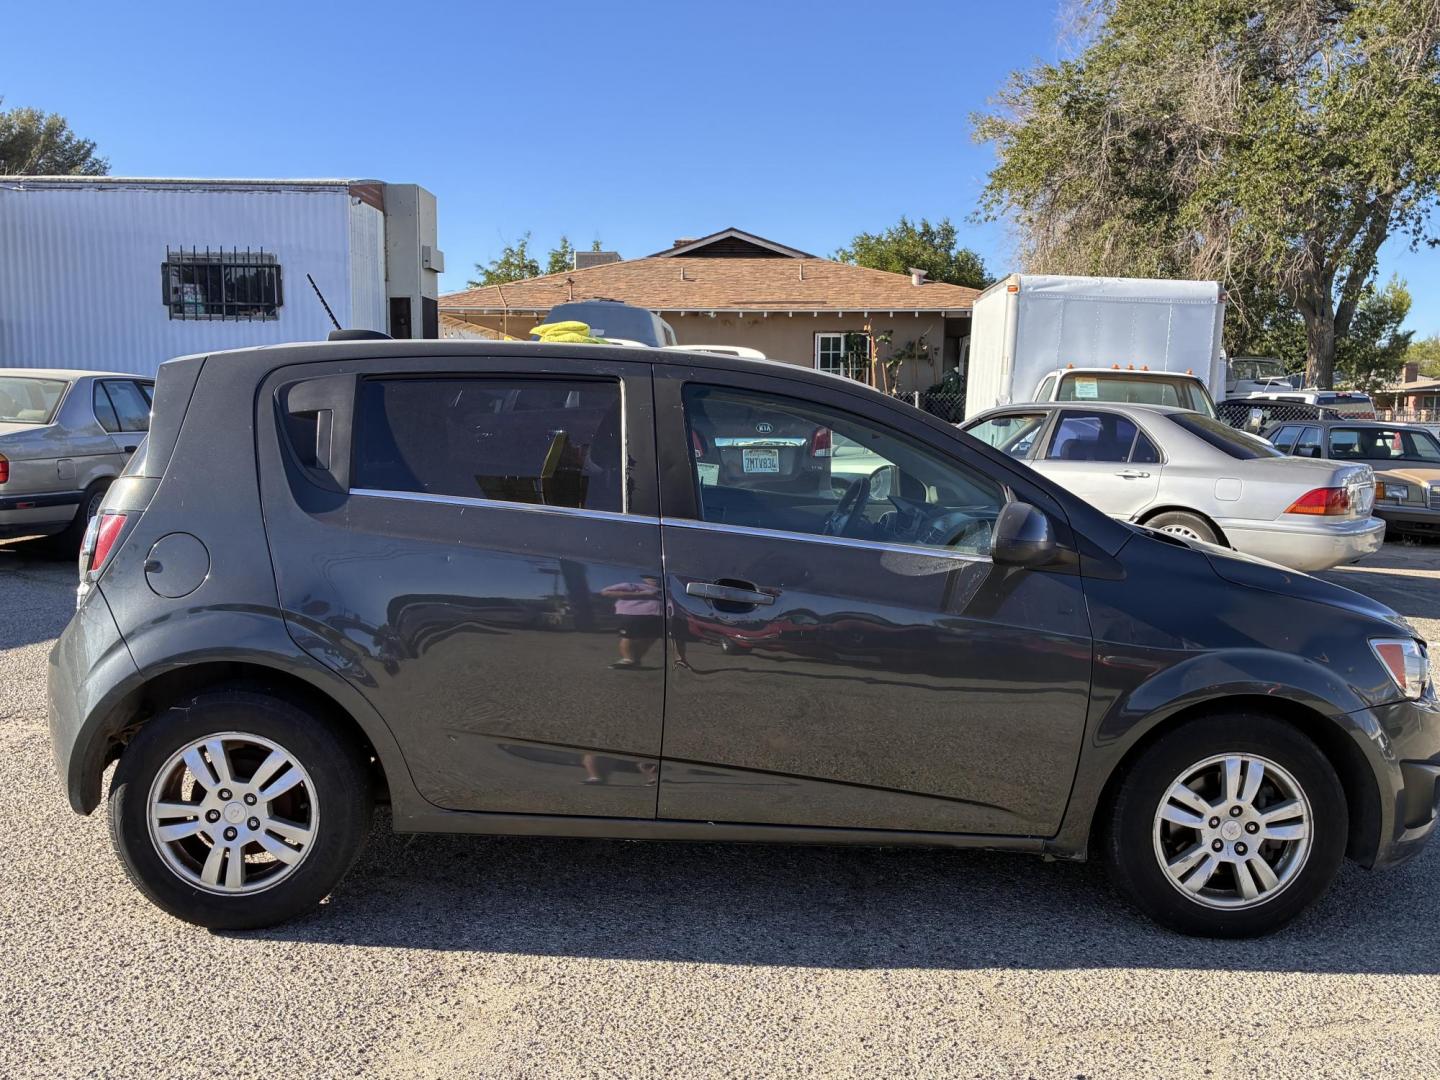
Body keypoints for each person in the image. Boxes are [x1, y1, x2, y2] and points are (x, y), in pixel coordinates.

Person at [601, 575, 663, 669]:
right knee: (629, 637)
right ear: (644, 579)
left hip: (656, 616)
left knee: (650, 638)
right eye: (649, 577)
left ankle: (635, 660)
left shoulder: (663, 590)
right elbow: (605, 592)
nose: (654, 579)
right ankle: (627, 660)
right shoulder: (632, 585)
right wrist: (641, 594)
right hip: (633, 614)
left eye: (656, 577)